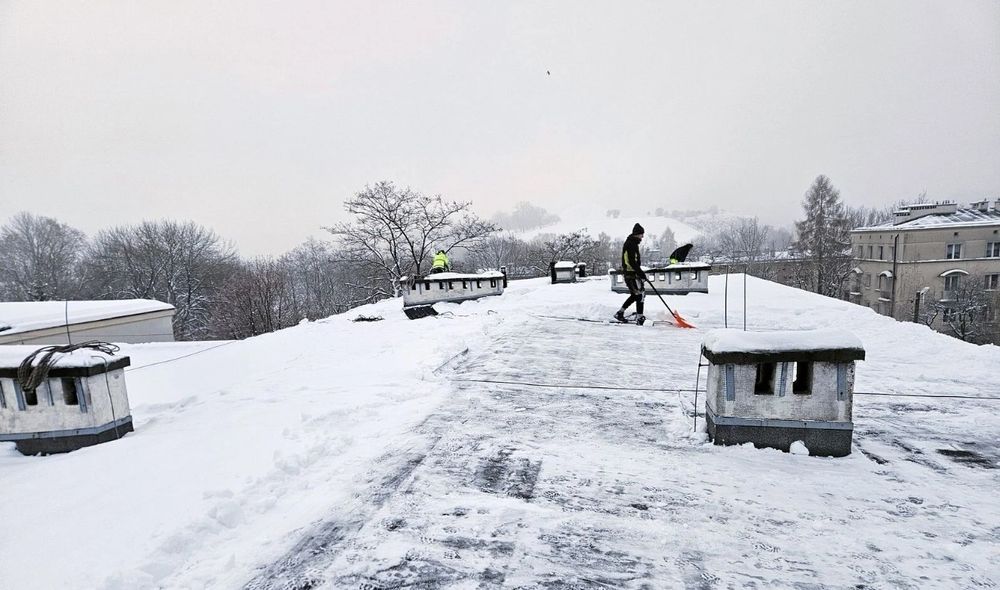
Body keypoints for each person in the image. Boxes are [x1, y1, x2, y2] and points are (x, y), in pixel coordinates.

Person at [615, 223, 646, 322]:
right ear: (637, 234)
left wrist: (639, 272)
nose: (642, 236)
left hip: (633, 273)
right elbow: (632, 261)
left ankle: (620, 313)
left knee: (636, 295)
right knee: (639, 294)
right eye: (641, 234)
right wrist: (641, 273)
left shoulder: (633, 243)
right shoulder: (631, 244)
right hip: (630, 274)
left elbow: (635, 261)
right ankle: (640, 317)